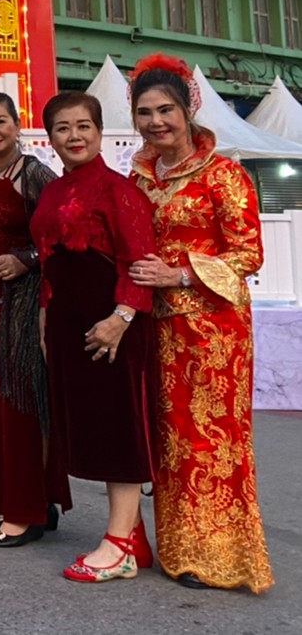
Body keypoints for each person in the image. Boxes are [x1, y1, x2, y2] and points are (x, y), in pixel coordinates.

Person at [126, 55, 274, 593]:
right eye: (145, 112)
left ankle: (218, 556)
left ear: (189, 109)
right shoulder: (138, 176)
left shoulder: (223, 174)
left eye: (165, 109)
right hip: (154, 330)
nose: (155, 122)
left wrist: (180, 272)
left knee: (210, 442)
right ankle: (176, 546)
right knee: (167, 439)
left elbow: (248, 253)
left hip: (212, 333)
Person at [31, 92, 157, 583]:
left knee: (117, 430)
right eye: (63, 128)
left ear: (100, 131)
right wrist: (45, 315)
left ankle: (120, 545)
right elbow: (47, 257)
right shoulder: (52, 192)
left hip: (113, 328)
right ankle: (134, 536)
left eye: (84, 126)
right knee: (91, 428)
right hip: (67, 326)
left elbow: (138, 262)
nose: (74, 136)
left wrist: (121, 318)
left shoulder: (119, 190)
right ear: (51, 138)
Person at [0, 91, 70, 548]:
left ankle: (23, 512)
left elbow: (66, 233)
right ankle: (35, 502)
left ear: (17, 124)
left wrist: (26, 258)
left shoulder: (33, 174)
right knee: (1, 412)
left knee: (19, 408)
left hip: (20, 307)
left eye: (0, 121)